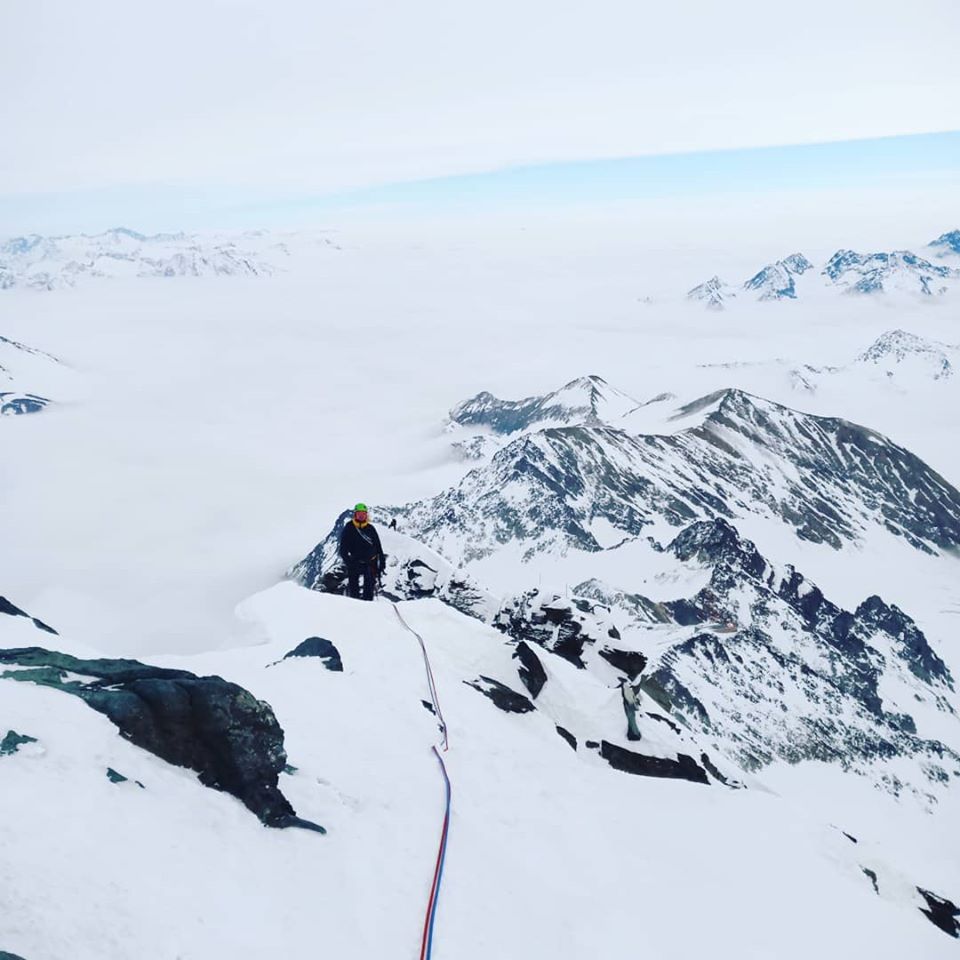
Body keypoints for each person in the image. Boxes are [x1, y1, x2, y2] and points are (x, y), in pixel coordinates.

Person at [338, 503, 386, 601]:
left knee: (369, 589)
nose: (361, 515)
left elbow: (378, 547)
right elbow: (343, 549)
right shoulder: (349, 528)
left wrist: (381, 562)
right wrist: (349, 563)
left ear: (366, 515)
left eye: (363, 513)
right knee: (354, 590)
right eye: (359, 513)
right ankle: (355, 607)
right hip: (355, 561)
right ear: (355, 515)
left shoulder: (370, 529)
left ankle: (367, 606)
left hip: (370, 562)